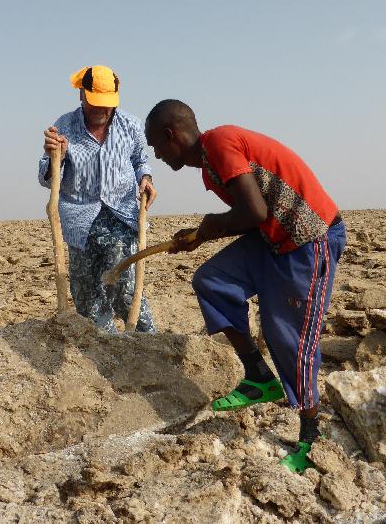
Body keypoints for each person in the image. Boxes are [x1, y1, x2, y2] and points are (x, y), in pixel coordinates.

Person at [144, 99, 346, 472]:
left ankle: (312, 437)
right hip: (274, 238)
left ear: (171, 136)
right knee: (212, 281)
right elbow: (252, 216)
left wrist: (208, 226)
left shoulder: (219, 144)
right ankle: (257, 376)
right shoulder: (210, 162)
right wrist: (202, 235)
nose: (156, 155)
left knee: (289, 337)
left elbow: (255, 212)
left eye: (156, 145)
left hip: (307, 239)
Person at [38, 65, 158, 333]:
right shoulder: (64, 127)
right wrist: (57, 156)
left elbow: (140, 160)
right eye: (96, 105)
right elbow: (47, 179)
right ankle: (105, 347)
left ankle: (147, 343)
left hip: (121, 215)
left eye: (108, 105)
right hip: (79, 220)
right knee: (86, 293)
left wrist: (146, 178)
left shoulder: (130, 126)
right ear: (82, 95)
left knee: (123, 287)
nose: (103, 111)